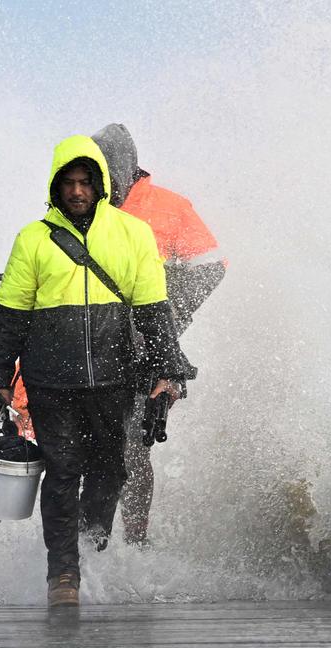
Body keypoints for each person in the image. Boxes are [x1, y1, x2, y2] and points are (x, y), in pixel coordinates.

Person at [0, 135, 194, 607]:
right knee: (61, 473)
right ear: (55, 187)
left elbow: (154, 312)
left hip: (115, 381)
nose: (77, 192)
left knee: (111, 470)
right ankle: (63, 576)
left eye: (85, 183)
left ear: (100, 186)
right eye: (68, 183)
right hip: (51, 383)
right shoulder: (32, 240)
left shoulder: (133, 235)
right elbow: (10, 318)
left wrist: (166, 369)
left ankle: (90, 547)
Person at [90, 123, 226, 547]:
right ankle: (90, 542)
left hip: (150, 347)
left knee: (134, 447)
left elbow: (212, 265)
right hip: (93, 346)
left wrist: (164, 304)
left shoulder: (169, 207)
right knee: (92, 445)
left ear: (126, 169)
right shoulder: (84, 207)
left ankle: (135, 542)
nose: (101, 183)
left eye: (107, 173)